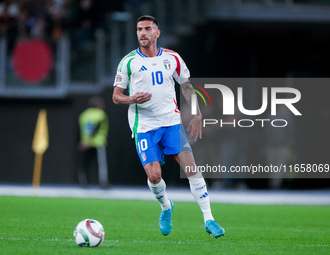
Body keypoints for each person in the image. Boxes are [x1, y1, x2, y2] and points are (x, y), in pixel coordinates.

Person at [112, 15, 225, 238]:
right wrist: (132, 98)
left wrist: (197, 113)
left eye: (146, 29)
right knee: (154, 175)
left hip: (171, 122)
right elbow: (116, 97)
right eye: (139, 29)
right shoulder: (128, 62)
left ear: (157, 33)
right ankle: (166, 206)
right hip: (144, 125)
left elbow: (186, 86)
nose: (142, 33)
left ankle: (209, 219)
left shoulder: (172, 58)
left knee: (192, 168)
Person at [78, 96, 109, 188]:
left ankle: (84, 182)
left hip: (84, 143)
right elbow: (97, 127)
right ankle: (103, 183)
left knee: (85, 164)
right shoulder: (100, 114)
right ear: (98, 105)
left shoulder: (84, 115)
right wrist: (90, 140)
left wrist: (84, 142)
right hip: (97, 142)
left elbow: (80, 129)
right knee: (100, 164)